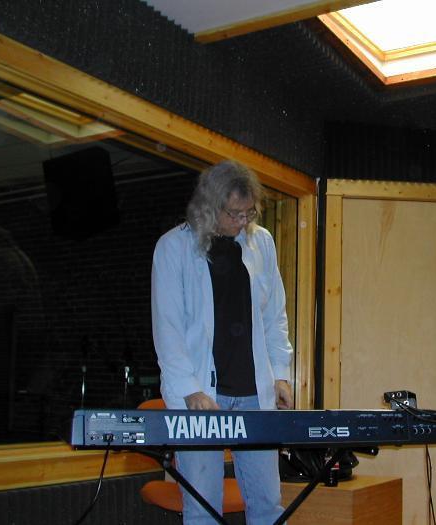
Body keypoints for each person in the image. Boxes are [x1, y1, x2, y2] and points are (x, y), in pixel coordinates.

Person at [151, 159, 293, 524]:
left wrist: (280, 373)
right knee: (203, 510)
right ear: (210, 206)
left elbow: (274, 315)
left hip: (254, 394)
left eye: (249, 213)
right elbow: (168, 328)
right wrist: (189, 390)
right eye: (234, 214)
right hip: (201, 394)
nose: (243, 222)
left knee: (268, 504)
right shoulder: (173, 247)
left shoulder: (262, 243)